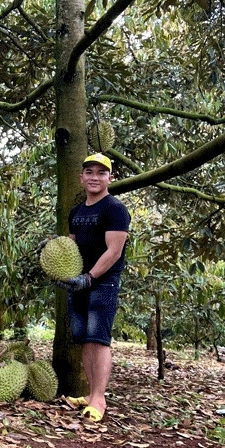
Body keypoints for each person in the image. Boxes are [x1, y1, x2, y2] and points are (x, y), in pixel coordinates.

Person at [57, 153, 131, 422]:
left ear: (110, 178)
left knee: (99, 340)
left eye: (101, 173)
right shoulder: (76, 212)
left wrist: (89, 277)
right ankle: (90, 394)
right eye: (89, 172)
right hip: (79, 283)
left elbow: (114, 251)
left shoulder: (115, 210)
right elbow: (71, 248)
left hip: (104, 283)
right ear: (81, 177)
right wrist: (59, 262)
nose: (94, 177)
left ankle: (99, 399)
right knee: (85, 340)